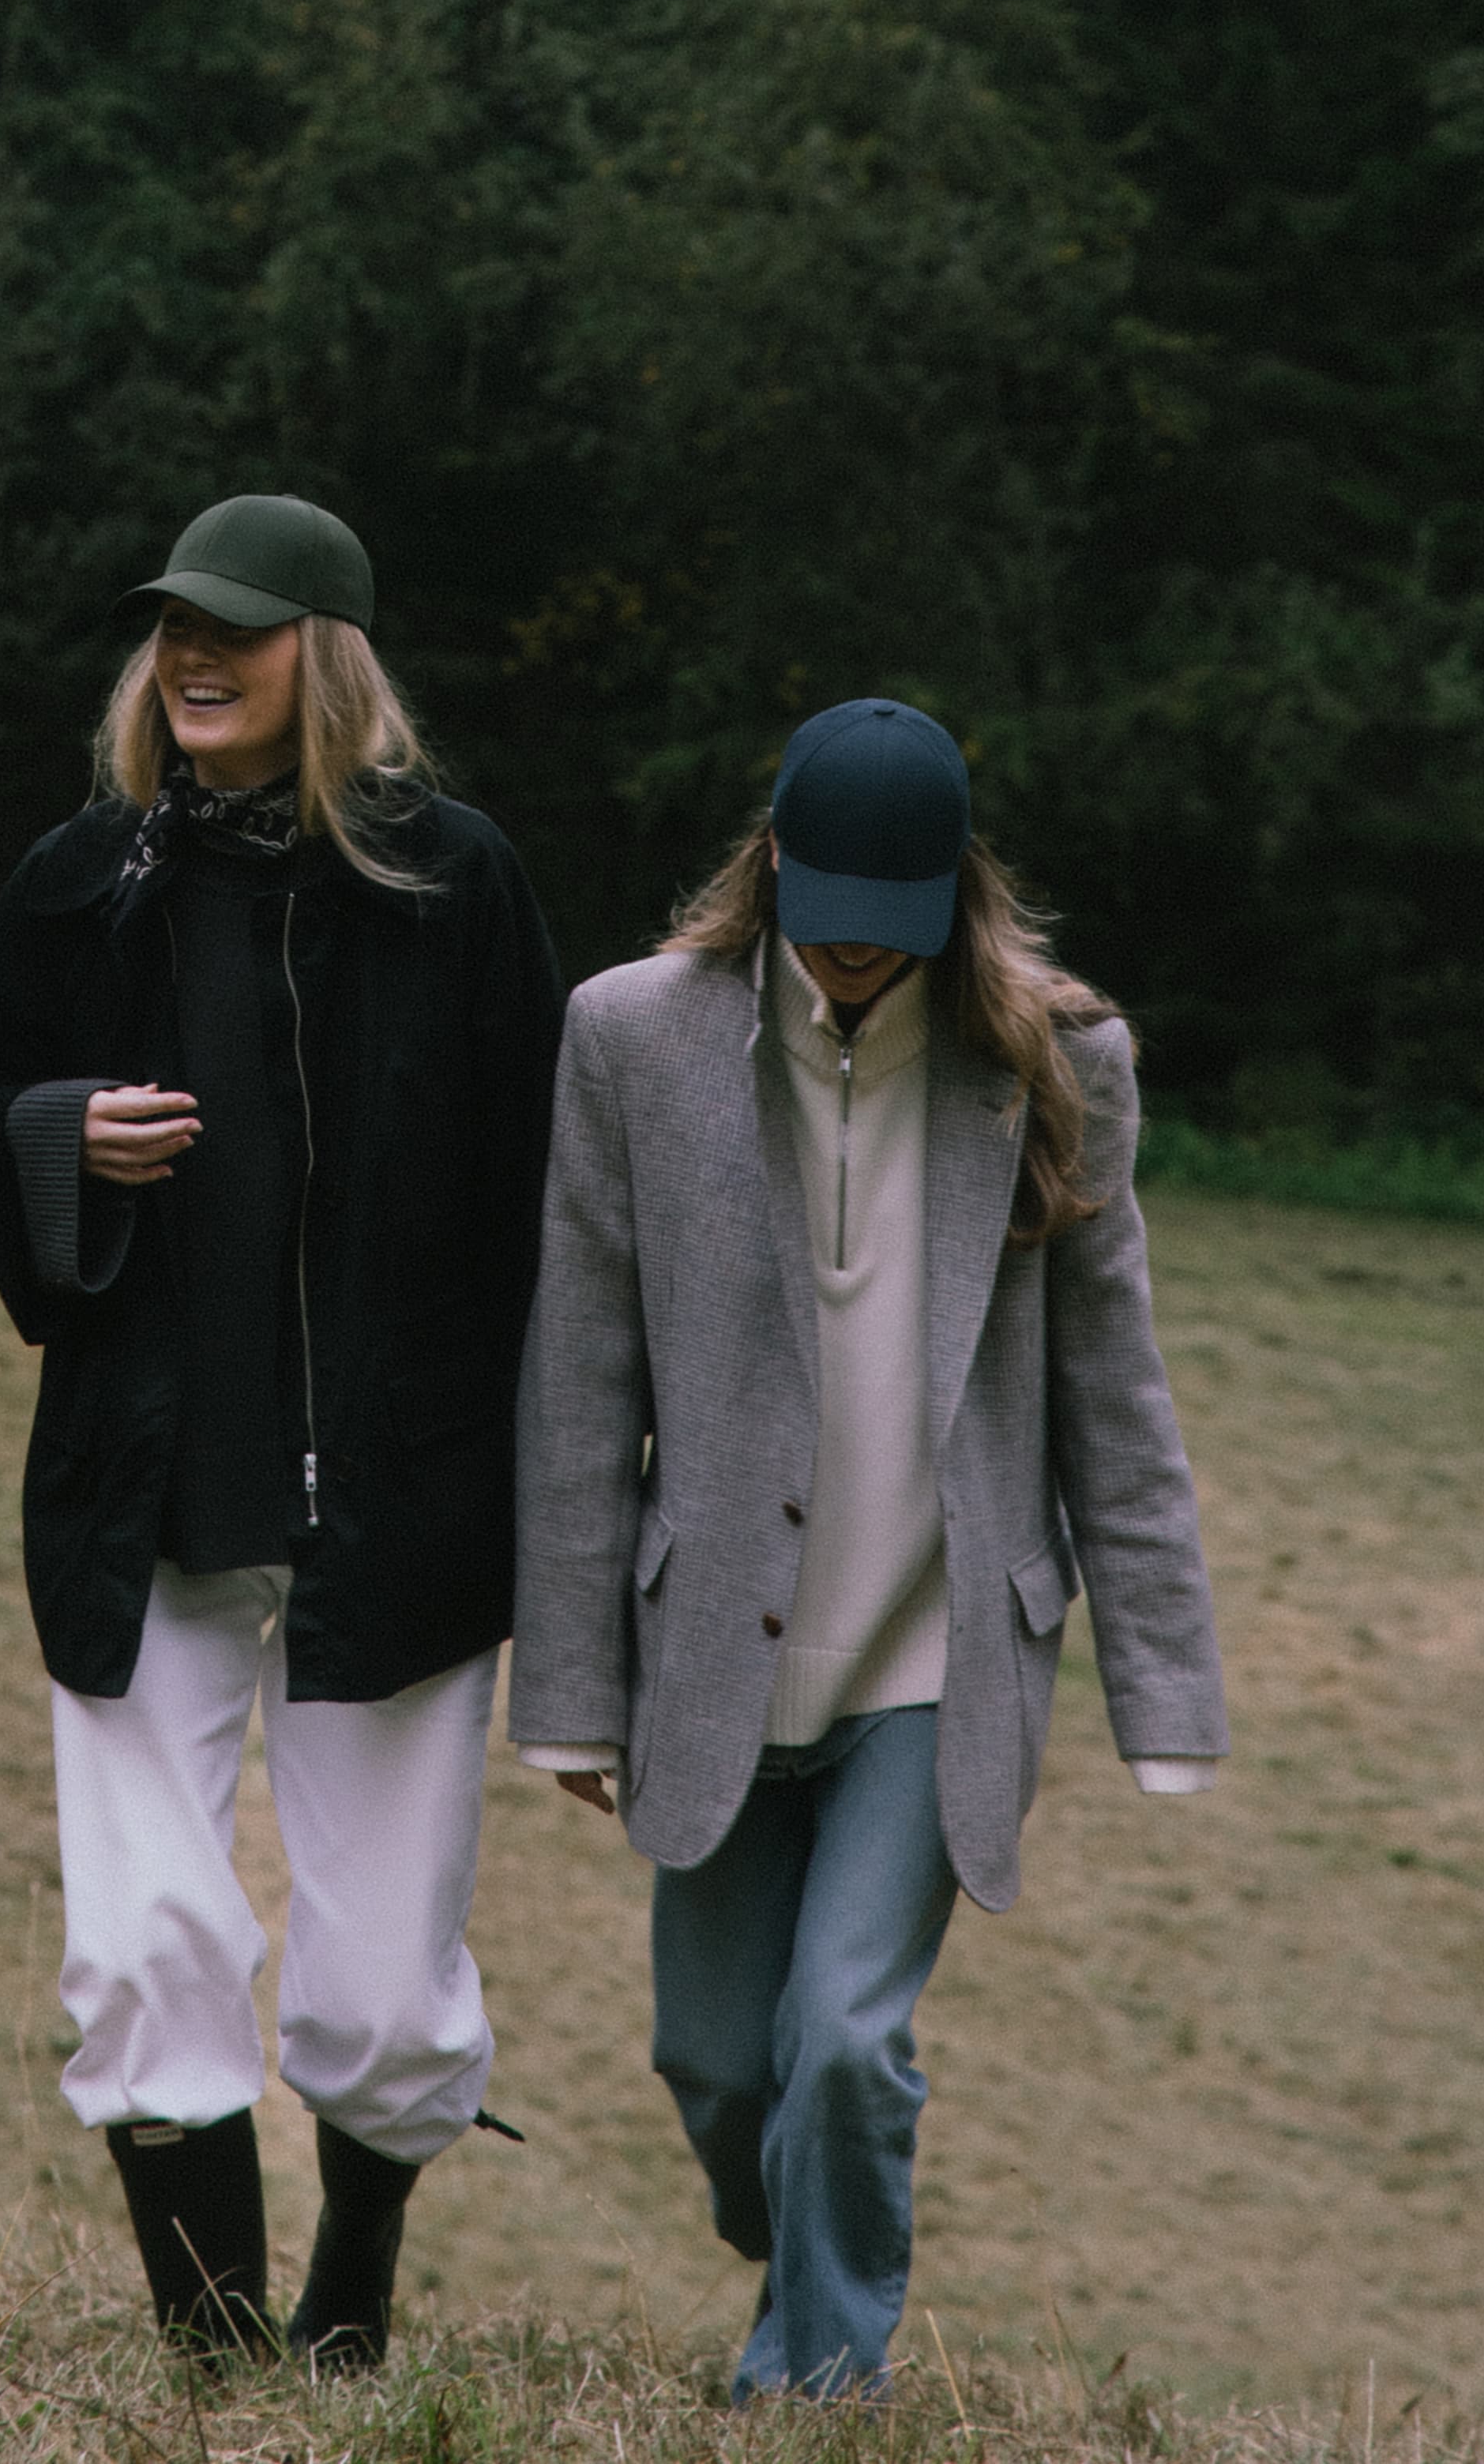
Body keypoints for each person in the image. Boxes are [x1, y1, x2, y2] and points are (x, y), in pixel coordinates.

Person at [512, 697, 1225, 2402]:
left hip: (935, 1648)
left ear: (954, 897)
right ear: (769, 865)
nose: (847, 953)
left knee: (843, 2040)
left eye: (887, 927)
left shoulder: (1060, 1064)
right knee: (718, 2065)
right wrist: (571, 1689)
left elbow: (1112, 1396)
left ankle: (817, 2392)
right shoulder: (632, 1038)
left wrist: (1168, 1692)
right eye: (820, 910)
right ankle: (801, 2243)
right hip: (717, 1655)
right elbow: (580, 1371)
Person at [0, 495, 565, 2367]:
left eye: (241, 629)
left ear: (329, 655)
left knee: (377, 2007)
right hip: (146, 1502)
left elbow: (552, 1195)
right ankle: (214, 2372)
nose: (195, 657)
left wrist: (570, 1495)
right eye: (175, 631)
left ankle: (349, 2307)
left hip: (404, 1511)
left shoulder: (459, 886)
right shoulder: (84, 877)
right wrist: (55, 1137)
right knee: (144, 1948)